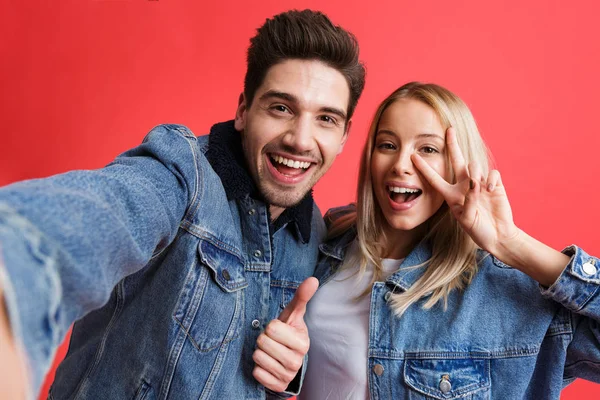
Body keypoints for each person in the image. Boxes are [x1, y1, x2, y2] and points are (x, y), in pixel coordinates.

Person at [0, 9, 365, 399]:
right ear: (243, 110)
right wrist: (13, 278)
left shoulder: (314, 238)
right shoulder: (181, 173)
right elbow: (96, 216)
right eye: (281, 108)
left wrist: (290, 373)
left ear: (343, 136)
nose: (301, 140)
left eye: (326, 118)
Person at [300, 82, 600, 399]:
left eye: (427, 149)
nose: (401, 165)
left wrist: (510, 243)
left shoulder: (507, 293)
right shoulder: (326, 240)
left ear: (460, 165)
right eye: (387, 145)